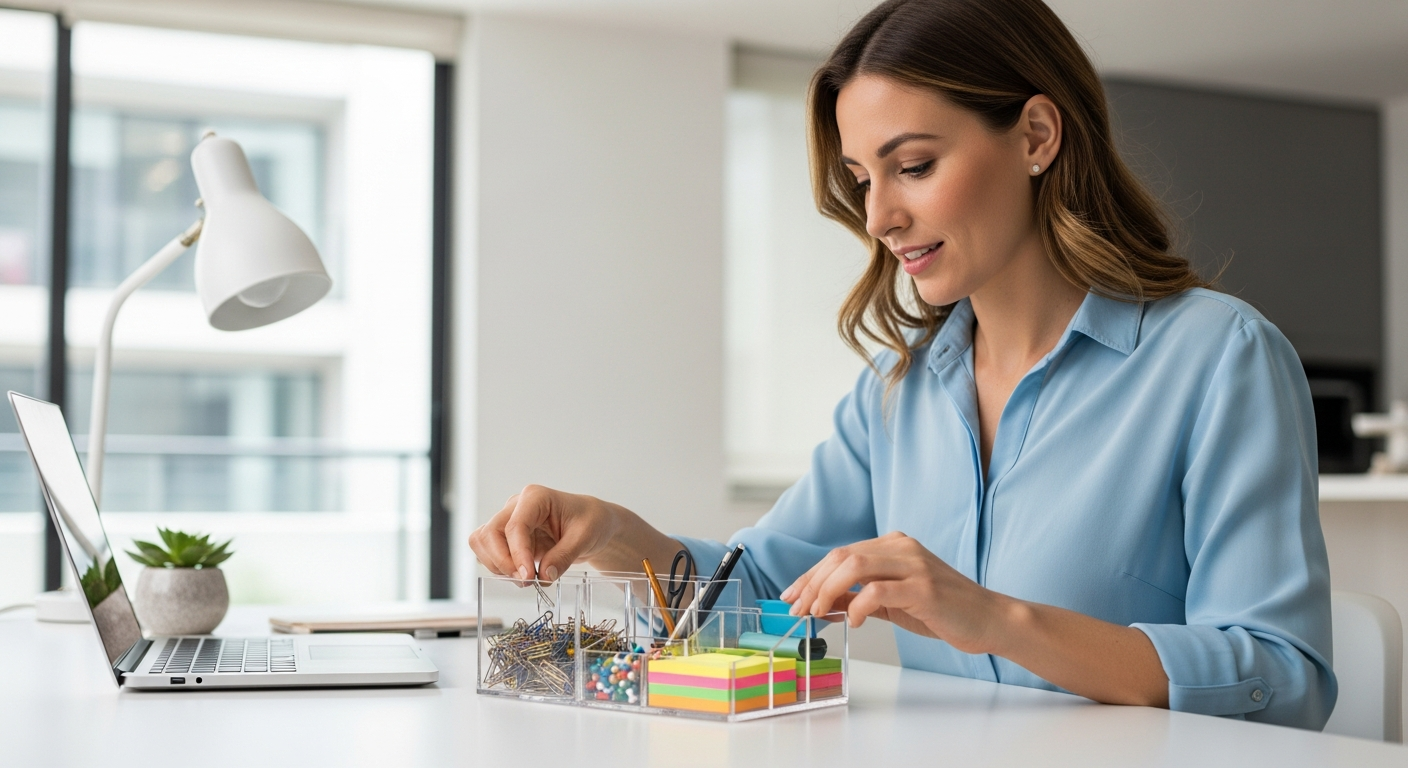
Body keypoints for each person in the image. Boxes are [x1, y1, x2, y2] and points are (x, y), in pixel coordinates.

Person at [470, 0, 1336, 729]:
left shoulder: (1218, 358)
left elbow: (1285, 676)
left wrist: (992, 619)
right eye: (860, 179)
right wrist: (614, 534)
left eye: (913, 166)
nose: (880, 215)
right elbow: (763, 596)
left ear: (1036, 135)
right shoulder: (897, 390)